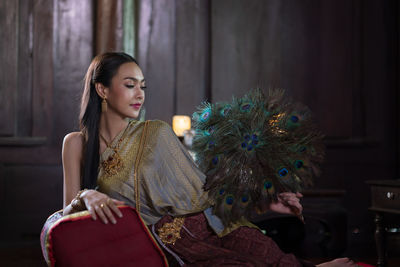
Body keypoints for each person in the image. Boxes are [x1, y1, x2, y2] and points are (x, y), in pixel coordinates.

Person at [61, 52, 357, 266]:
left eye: (143, 86)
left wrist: (262, 203)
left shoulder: (156, 134)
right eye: (130, 85)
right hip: (157, 248)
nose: (140, 94)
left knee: (261, 254)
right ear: (102, 89)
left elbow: (202, 188)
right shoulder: (76, 144)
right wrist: (86, 195)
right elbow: (63, 220)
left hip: (203, 230)